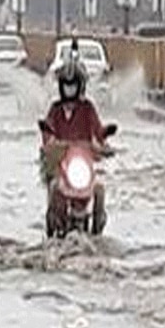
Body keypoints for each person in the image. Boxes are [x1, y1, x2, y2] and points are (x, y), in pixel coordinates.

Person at [40, 52, 112, 234]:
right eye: (66, 86)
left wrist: (104, 141)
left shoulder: (87, 108)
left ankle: (97, 226)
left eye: (73, 87)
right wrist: (51, 143)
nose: (69, 90)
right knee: (55, 186)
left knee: (99, 189)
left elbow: (98, 130)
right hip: (62, 165)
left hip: (83, 162)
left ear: (80, 87)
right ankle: (55, 221)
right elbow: (48, 132)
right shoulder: (55, 110)